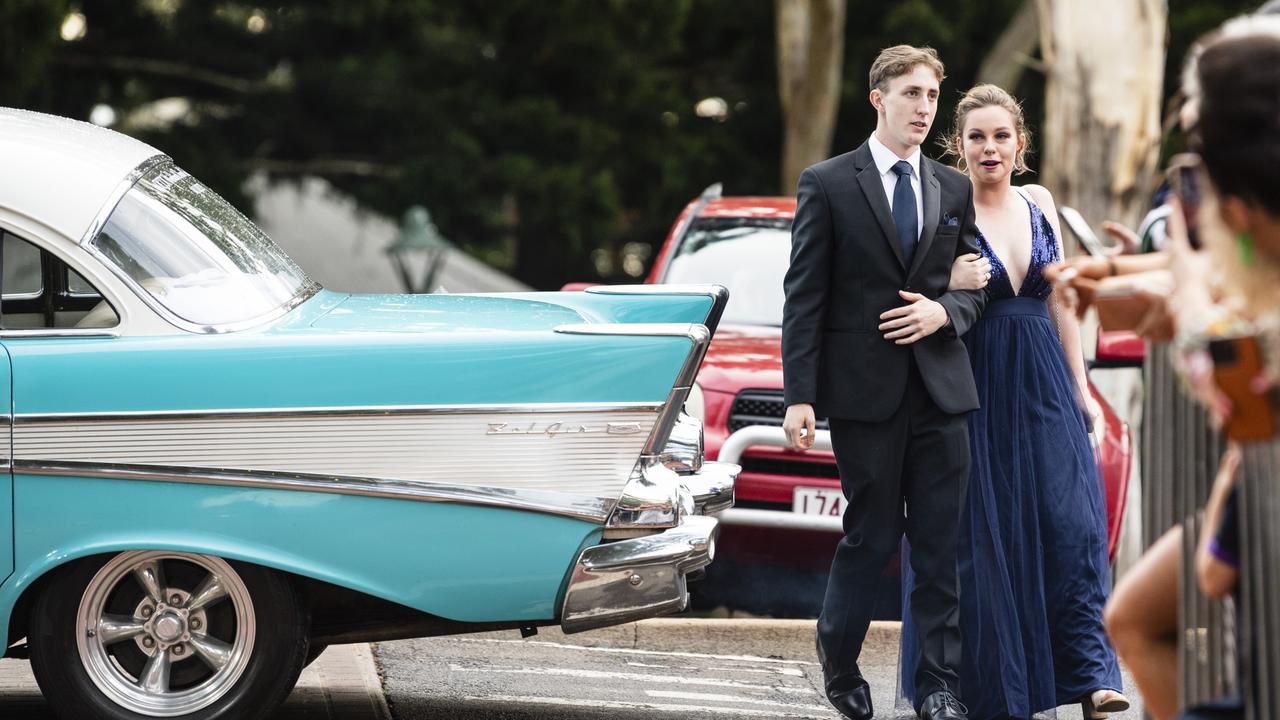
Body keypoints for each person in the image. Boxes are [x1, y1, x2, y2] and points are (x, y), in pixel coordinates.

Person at [894, 84, 1129, 720]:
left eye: (1001, 136)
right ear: (958, 146)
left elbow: (1060, 298)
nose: (989, 147)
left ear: (1019, 143)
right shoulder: (943, 205)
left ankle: (1093, 677)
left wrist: (1079, 383)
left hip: (1047, 377)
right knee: (984, 536)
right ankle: (991, 687)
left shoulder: (1039, 201)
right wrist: (949, 282)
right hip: (975, 384)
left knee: (1072, 524)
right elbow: (910, 290)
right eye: (976, 137)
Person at [781, 44, 986, 720]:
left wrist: (943, 310)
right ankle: (840, 669)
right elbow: (805, 297)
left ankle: (938, 688)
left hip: (941, 395)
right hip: (865, 397)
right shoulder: (829, 182)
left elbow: (973, 289)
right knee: (869, 539)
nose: (924, 108)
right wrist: (800, 395)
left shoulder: (953, 188)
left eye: (932, 96)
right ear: (879, 98)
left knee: (938, 548)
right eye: (911, 94)